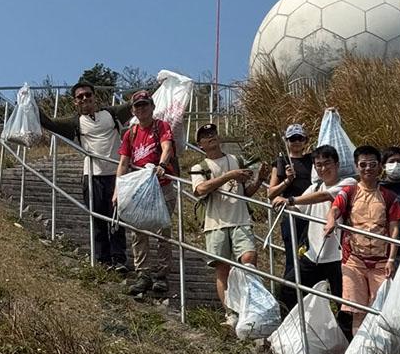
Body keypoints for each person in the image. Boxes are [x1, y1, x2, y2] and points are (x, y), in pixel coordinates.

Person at [38, 81, 131, 272]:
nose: (85, 98)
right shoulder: (75, 123)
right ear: (75, 102)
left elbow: (135, 104)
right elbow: (49, 123)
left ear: (94, 96)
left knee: (117, 219)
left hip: (116, 175)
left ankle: (119, 259)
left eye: (88, 94)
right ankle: (103, 260)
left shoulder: (112, 113)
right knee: (98, 219)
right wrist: (29, 104)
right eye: (80, 97)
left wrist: (163, 85)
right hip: (92, 176)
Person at [190, 123, 266, 325]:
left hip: (241, 219)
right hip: (215, 223)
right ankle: (230, 313)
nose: (211, 137)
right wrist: (228, 176)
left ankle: (250, 308)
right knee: (222, 269)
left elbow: (245, 193)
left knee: (249, 260)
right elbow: (200, 190)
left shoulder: (236, 160)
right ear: (200, 144)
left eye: (213, 133)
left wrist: (260, 179)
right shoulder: (200, 167)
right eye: (205, 136)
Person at [323, 145, 400, 334]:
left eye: (372, 164)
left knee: (381, 311)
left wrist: (391, 259)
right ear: (356, 166)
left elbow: (394, 229)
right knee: (357, 311)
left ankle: (379, 349)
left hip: (381, 261)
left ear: (380, 166)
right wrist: (331, 221)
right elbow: (335, 208)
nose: (368, 169)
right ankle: (359, 350)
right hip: (354, 260)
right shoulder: (349, 192)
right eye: (363, 165)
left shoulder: (389, 197)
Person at [113, 91, 177, 300]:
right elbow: (123, 163)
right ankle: (143, 273)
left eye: (145, 105)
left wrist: (162, 165)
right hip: (139, 188)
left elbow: (167, 147)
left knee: (162, 231)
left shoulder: (161, 126)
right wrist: (117, 190)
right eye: (137, 106)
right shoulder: (130, 133)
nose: (141, 109)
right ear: (133, 110)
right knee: (138, 231)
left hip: (162, 186)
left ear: (152, 106)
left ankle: (162, 274)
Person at [286, 143, 356, 336]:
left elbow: (324, 196)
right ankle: (293, 330)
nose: (323, 168)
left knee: (343, 303)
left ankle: (346, 342)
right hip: (314, 254)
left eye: (327, 163)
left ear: (337, 164)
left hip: (339, 257)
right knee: (289, 289)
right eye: (318, 165)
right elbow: (296, 208)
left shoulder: (349, 183)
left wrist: (291, 199)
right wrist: (280, 199)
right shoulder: (314, 187)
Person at [267, 123, 312, 288]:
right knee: (293, 257)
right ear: (286, 141)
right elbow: (271, 193)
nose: (297, 142)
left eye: (300, 138)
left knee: (310, 257)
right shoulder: (282, 161)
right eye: (292, 139)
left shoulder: (312, 160)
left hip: (311, 213)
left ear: (305, 140)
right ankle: (289, 294)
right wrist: (287, 180)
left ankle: (309, 293)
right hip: (292, 214)